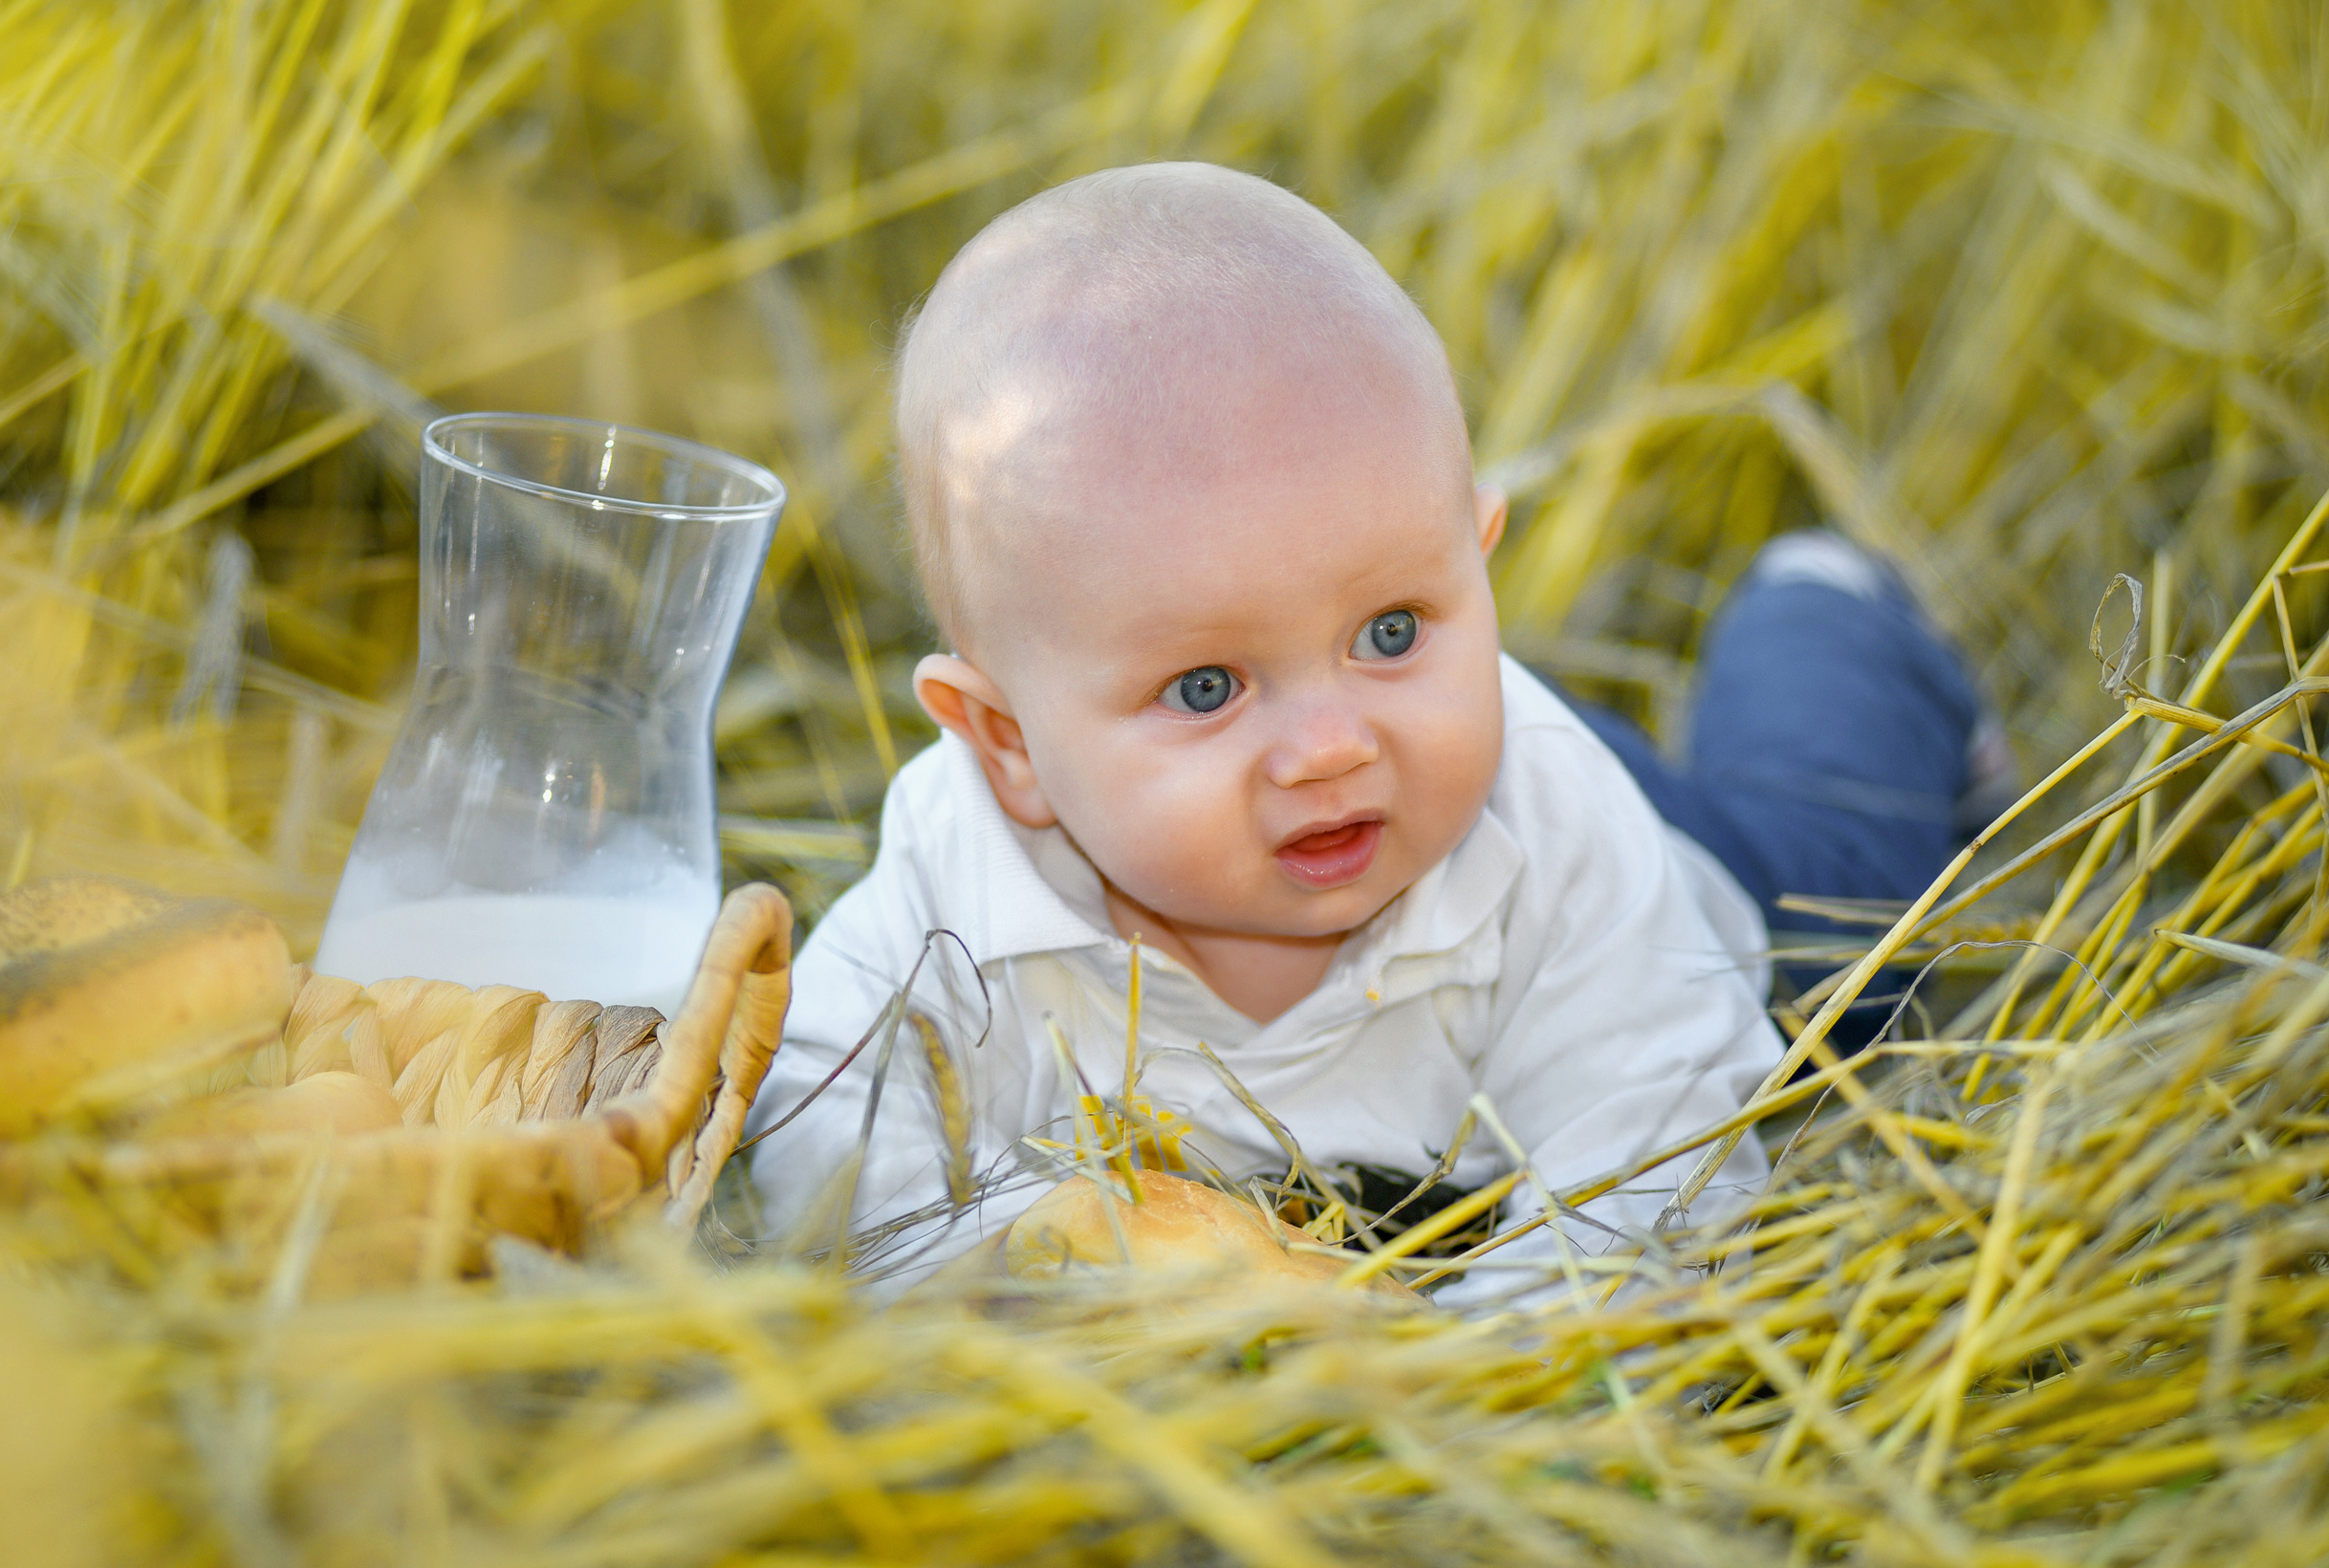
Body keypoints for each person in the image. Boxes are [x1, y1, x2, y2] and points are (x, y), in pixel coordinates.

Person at [744, 162, 1994, 1303]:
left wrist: (1445, 1395)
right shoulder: (961, 885)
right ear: (1008, 743)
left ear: (1477, 567)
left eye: (1394, 626)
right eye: (1206, 688)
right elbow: (822, 1098)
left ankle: (1830, 611)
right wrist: (1023, 1271)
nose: (1331, 745)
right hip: (1456, 762)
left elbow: (1659, 1160)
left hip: (1684, 865)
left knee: (1857, 891)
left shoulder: (1555, 848)